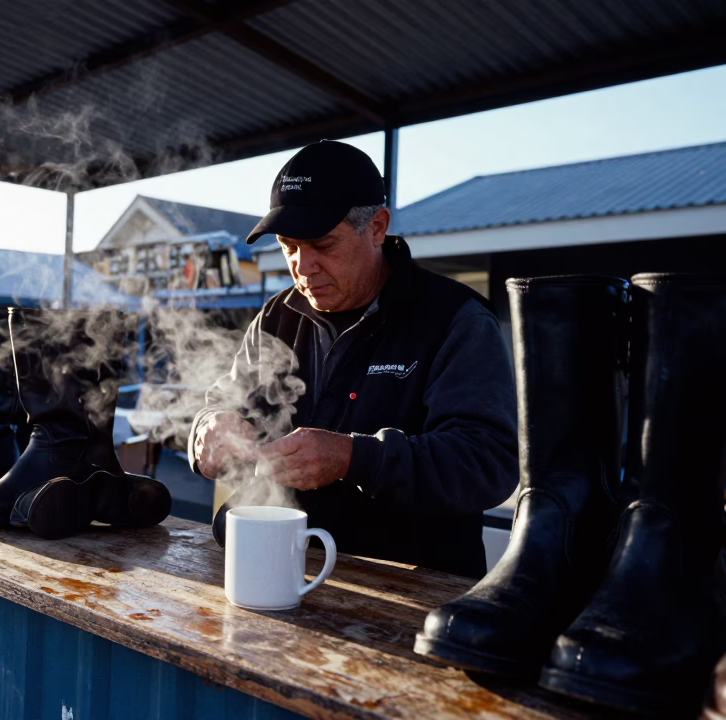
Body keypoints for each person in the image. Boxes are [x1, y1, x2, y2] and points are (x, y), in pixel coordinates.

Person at [188, 140, 519, 578]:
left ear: (377, 227)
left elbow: (488, 464)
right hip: (277, 568)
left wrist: (353, 458)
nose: (303, 267)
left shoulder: (456, 319)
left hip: (409, 590)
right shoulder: (276, 316)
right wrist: (207, 429)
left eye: (323, 245)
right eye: (289, 247)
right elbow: (220, 405)